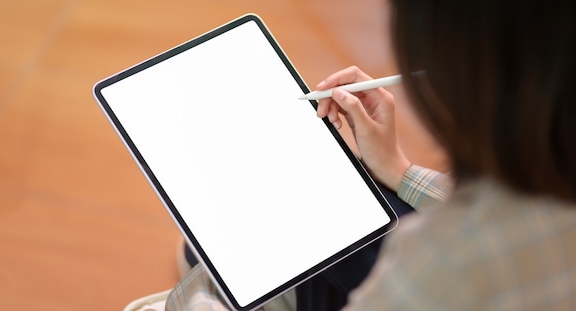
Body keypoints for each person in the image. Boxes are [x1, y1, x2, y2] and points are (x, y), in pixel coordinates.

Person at [166, 0, 576, 310]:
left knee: (207, 260)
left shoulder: (446, 258)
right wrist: (401, 171)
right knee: (350, 209)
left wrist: (201, 288)